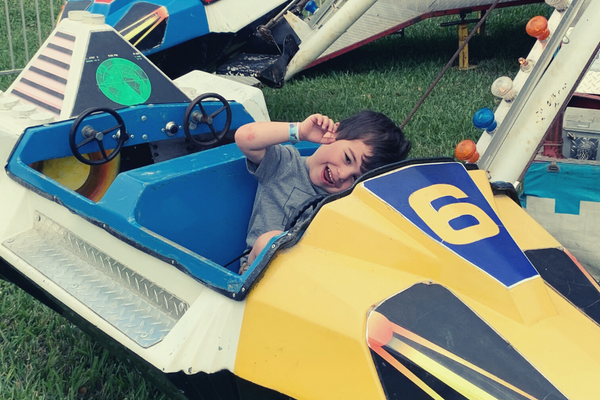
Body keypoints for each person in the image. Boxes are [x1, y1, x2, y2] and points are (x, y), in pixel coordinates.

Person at [235, 110, 411, 274]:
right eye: (347, 159)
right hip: (254, 275)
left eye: (356, 178)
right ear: (335, 133)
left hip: (308, 281)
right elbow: (245, 138)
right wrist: (300, 131)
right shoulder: (283, 164)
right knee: (271, 241)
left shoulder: (345, 201)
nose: (343, 175)